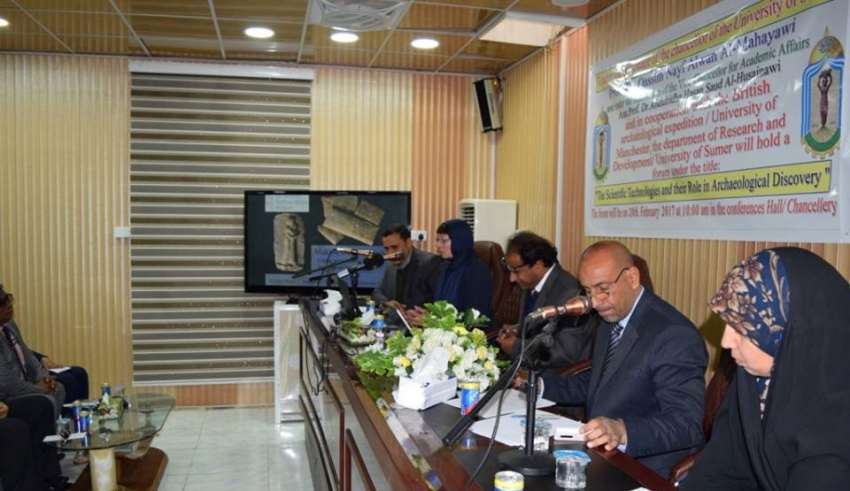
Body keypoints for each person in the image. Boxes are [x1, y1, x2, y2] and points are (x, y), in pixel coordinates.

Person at [681, 248, 850, 490]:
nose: (726, 342)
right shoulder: (754, 377)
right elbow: (721, 466)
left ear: (791, 336)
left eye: (742, 329)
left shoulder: (838, 429)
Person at [537, 241, 706, 477]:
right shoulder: (612, 317)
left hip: (646, 468)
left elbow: (686, 424)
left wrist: (622, 431)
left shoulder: (674, 335)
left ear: (632, 278)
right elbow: (600, 383)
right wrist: (540, 386)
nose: (595, 301)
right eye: (588, 291)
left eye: (603, 288)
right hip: (602, 456)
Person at [496, 231, 592, 367]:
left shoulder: (570, 294)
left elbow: (564, 353)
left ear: (538, 265)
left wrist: (517, 347)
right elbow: (541, 327)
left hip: (551, 374)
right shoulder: (531, 283)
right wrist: (520, 328)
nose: (512, 279)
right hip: (525, 366)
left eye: (516, 271)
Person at [407, 219, 492, 324]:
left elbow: (474, 319)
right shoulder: (443, 266)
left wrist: (432, 321)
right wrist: (427, 314)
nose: (438, 245)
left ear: (459, 242)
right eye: (437, 240)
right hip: (442, 330)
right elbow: (440, 308)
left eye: (444, 241)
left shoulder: (476, 272)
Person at [0, 286, 66, 413]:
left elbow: (27, 356)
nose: (9, 305)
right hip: (7, 396)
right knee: (45, 400)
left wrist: (45, 379)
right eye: (3, 303)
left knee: (58, 388)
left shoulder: (9, 325)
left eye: (8, 299)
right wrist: (39, 389)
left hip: (25, 381)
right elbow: (7, 384)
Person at [371, 224, 442, 315]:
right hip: (395, 322)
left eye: (395, 247)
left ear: (408, 243)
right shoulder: (390, 267)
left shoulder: (430, 263)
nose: (390, 253)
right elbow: (376, 293)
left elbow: (440, 302)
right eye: (387, 249)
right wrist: (386, 302)